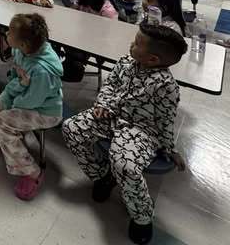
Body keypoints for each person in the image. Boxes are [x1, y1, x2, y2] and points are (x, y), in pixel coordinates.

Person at [62, 23, 187, 245]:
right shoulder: (125, 63)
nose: (131, 44)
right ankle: (102, 176)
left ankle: (142, 218)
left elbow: (165, 120)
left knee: (125, 166)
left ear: (153, 59)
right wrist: (103, 104)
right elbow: (110, 87)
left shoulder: (166, 86)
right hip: (111, 116)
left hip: (141, 129)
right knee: (72, 128)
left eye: (138, 43)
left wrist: (170, 149)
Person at [0, 13, 63, 200]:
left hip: (45, 111)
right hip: (23, 96)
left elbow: (31, 102)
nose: (6, 33)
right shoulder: (21, 51)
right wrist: (16, 90)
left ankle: (32, 172)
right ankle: (10, 146)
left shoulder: (42, 70)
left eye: (10, 32)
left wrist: (13, 102)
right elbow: (17, 77)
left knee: (2, 120)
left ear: (24, 44)